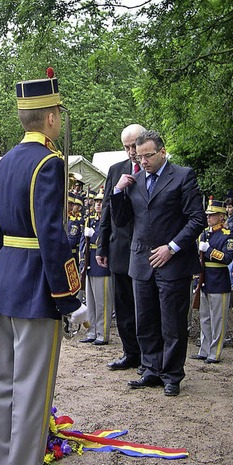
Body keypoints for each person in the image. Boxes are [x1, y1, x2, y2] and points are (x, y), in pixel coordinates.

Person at [0, 72, 86, 465]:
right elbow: (52, 236)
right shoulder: (49, 163)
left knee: (1, 388)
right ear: (51, 117)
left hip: (5, 282)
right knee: (31, 394)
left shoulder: (4, 162)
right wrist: (69, 297)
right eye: (58, 112)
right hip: (38, 288)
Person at [109, 130, 206, 397]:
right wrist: (118, 192)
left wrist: (172, 247)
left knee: (172, 323)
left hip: (173, 261)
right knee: (145, 321)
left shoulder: (183, 176)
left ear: (162, 152)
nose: (143, 161)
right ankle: (150, 368)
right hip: (141, 259)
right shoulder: (135, 179)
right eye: (139, 156)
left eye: (148, 155)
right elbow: (121, 220)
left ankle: (172, 374)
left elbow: (197, 219)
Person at [97, 124, 146, 371]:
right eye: (126, 147)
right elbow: (106, 208)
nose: (131, 152)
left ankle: (148, 357)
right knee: (124, 304)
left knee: (145, 306)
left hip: (145, 249)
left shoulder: (152, 168)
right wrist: (101, 246)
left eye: (134, 145)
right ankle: (130, 353)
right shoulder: (116, 170)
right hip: (119, 248)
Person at [190, 198, 233, 364]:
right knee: (205, 317)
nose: (208, 218)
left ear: (222, 217)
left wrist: (210, 250)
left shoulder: (227, 236)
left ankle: (215, 352)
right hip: (205, 280)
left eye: (212, 215)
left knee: (218, 319)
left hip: (219, 280)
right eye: (208, 215)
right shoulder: (204, 234)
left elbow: (227, 258)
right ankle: (204, 349)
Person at [79, 190, 114, 345]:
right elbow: (82, 243)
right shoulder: (90, 220)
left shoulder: (109, 220)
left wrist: (93, 235)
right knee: (91, 301)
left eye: (101, 201)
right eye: (96, 201)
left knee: (102, 302)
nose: (98, 204)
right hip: (90, 264)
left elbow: (106, 239)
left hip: (102, 265)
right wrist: (82, 262)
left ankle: (102, 333)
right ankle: (91, 331)